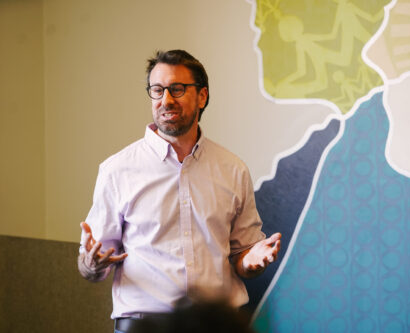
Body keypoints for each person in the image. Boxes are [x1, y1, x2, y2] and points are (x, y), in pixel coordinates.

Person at [77, 49, 281, 333]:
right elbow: (92, 265)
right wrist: (90, 263)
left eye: (177, 89)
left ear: (202, 96)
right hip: (144, 326)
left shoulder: (233, 169)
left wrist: (253, 259)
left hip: (216, 325)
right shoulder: (117, 170)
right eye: (157, 90)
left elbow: (241, 256)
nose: (166, 99)